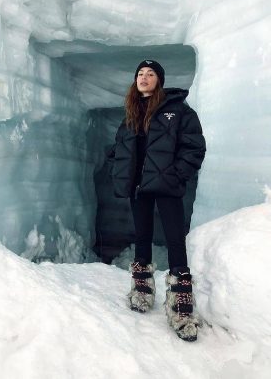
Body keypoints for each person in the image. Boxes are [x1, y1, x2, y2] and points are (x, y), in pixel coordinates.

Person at [107, 60, 206, 341]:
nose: (144, 77)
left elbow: (194, 147)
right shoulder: (130, 113)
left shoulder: (179, 111)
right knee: (142, 236)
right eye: (140, 73)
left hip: (166, 184)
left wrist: (176, 174)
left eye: (150, 74)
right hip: (139, 185)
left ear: (159, 80)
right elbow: (121, 146)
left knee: (175, 239)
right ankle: (142, 290)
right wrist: (117, 163)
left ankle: (181, 305)